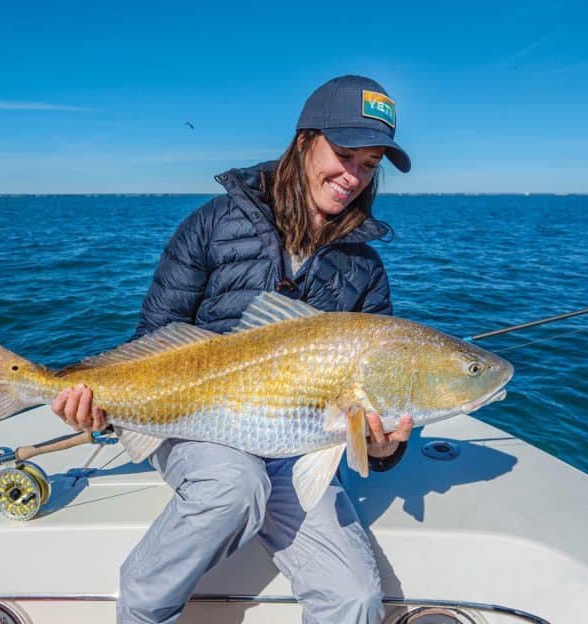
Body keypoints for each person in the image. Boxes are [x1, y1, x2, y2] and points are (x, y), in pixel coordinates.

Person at [52, 75, 413, 624]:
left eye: (368, 163)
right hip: (195, 422)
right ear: (303, 141)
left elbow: (371, 411)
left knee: (355, 598)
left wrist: (385, 448)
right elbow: (155, 334)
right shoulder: (212, 226)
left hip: (302, 448)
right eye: (343, 154)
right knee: (236, 485)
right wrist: (102, 403)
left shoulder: (365, 268)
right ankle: (143, 608)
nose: (352, 177)